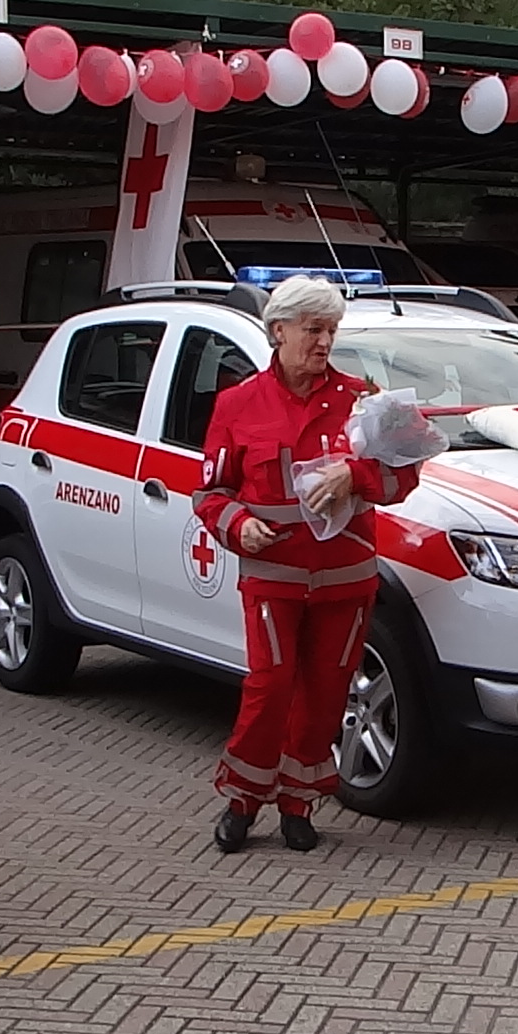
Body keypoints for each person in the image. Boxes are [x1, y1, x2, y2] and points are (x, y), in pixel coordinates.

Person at [194, 275, 421, 853]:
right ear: (279, 332)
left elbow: (406, 476)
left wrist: (357, 474)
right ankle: (242, 800)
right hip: (272, 575)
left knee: (327, 692)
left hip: (347, 579)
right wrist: (239, 527)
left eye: (332, 330)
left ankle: (298, 803)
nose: (324, 342)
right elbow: (209, 494)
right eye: (314, 330)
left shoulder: (362, 400)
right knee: (269, 688)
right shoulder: (238, 403)